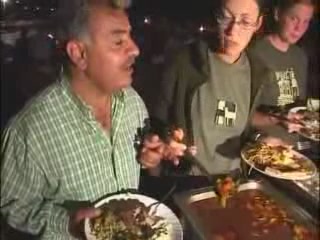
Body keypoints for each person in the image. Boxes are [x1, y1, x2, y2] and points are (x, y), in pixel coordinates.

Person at [0, 1, 186, 239]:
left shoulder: (133, 103)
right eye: (119, 42)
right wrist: (66, 222)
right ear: (79, 53)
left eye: (130, 37)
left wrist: (151, 161)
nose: (135, 49)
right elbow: (12, 206)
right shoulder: (29, 131)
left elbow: (144, 166)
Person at [151, 0, 271, 175]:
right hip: (189, 182)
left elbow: (242, 130)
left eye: (245, 22)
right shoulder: (184, 62)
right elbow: (156, 120)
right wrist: (166, 138)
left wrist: (262, 140)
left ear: (258, 24)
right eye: (225, 17)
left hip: (234, 182)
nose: (232, 31)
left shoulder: (257, 72)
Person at [248, 0, 315, 107]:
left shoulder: (300, 56)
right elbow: (241, 111)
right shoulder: (255, 53)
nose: (299, 28)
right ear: (277, 14)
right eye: (294, 19)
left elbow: (300, 105)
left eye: (305, 22)